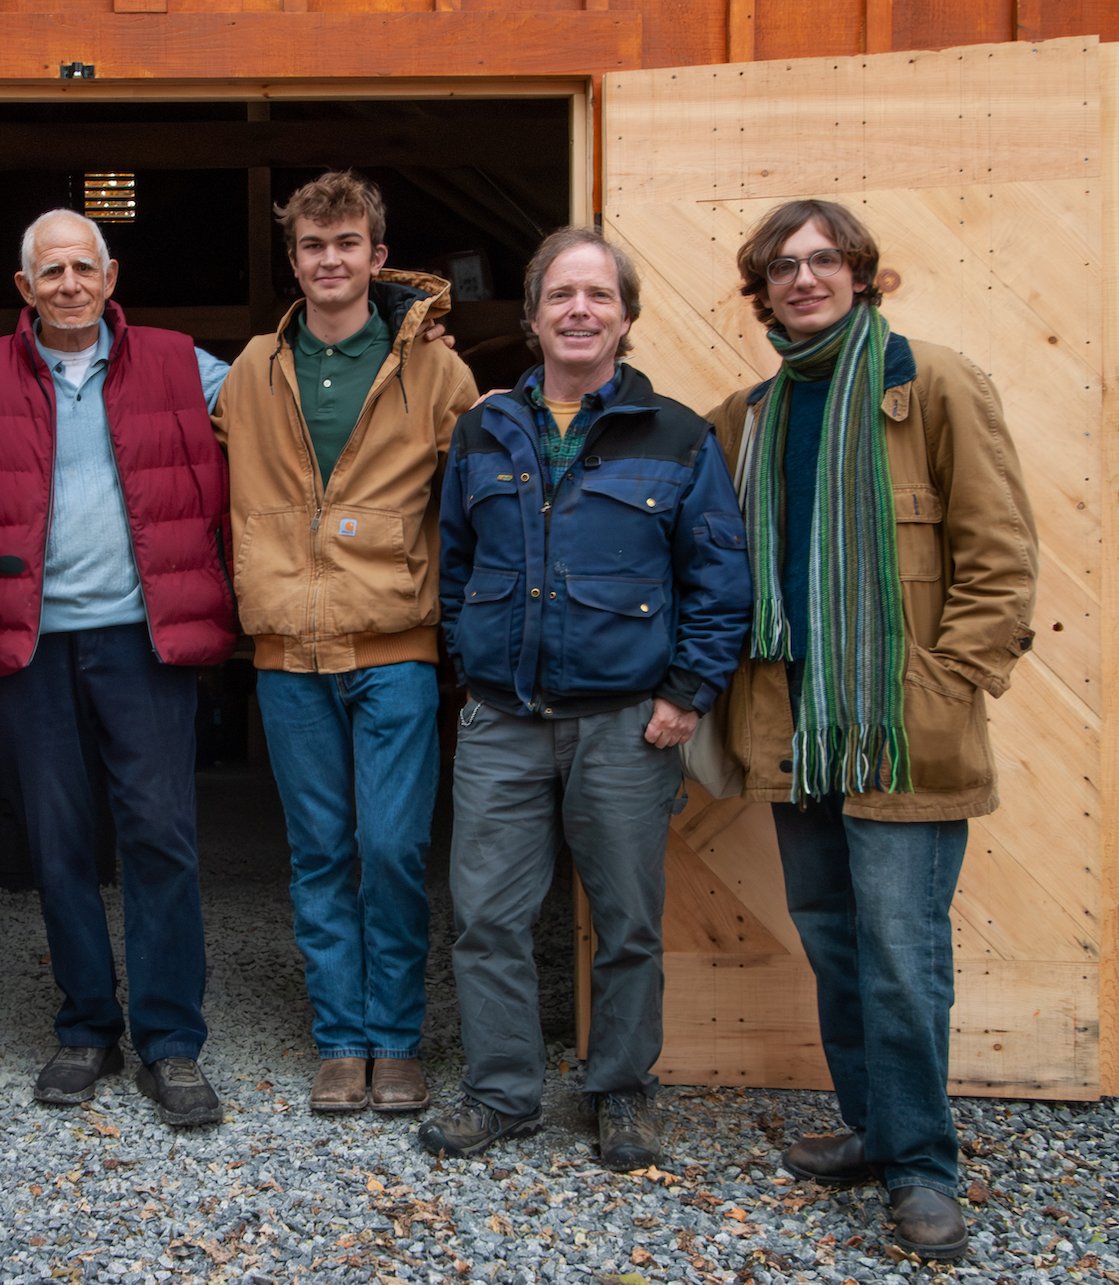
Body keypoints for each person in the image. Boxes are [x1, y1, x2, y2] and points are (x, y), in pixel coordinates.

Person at [709, 200, 1036, 1260]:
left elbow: (999, 561)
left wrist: (947, 683)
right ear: (762, 291)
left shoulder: (930, 384)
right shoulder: (751, 412)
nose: (804, 278)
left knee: (903, 953)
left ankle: (921, 1166)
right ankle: (870, 1127)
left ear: (861, 273)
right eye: (783, 267)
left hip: (901, 730)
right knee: (840, 944)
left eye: (823, 259)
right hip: (798, 728)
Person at [420, 227, 751, 1170]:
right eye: (561, 296)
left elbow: (719, 581)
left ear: (627, 319)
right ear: (531, 319)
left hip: (626, 723)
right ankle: (502, 1091)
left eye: (598, 296)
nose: (579, 310)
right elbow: (457, 561)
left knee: (627, 920)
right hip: (502, 721)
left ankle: (621, 1090)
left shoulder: (679, 435)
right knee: (485, 916)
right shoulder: (484, 430)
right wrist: (468, 660)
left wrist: (687, 693)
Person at [0, 209, 238, 1128]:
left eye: (85, 267)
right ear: (24, 290)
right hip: (30, 642)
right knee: (57, 844)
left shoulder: (187, 363)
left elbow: (291, 412)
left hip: (144, 637)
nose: (69, 283)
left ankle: (170, 1039)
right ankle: (85, 1025)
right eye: (50, 271)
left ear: (111, 277)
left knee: (160, 835)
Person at [210, 171, 477, 1115]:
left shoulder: (436, 371)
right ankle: (342, 1038)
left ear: (376, 255)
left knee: (394, 845)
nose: (330, 260)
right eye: (313, 246)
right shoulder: (249, 369)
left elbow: (479, 502)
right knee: (319, 849)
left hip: (394, 643)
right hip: (288, 653)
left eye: (347, 243)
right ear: (295, 260)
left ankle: (397, 1036)